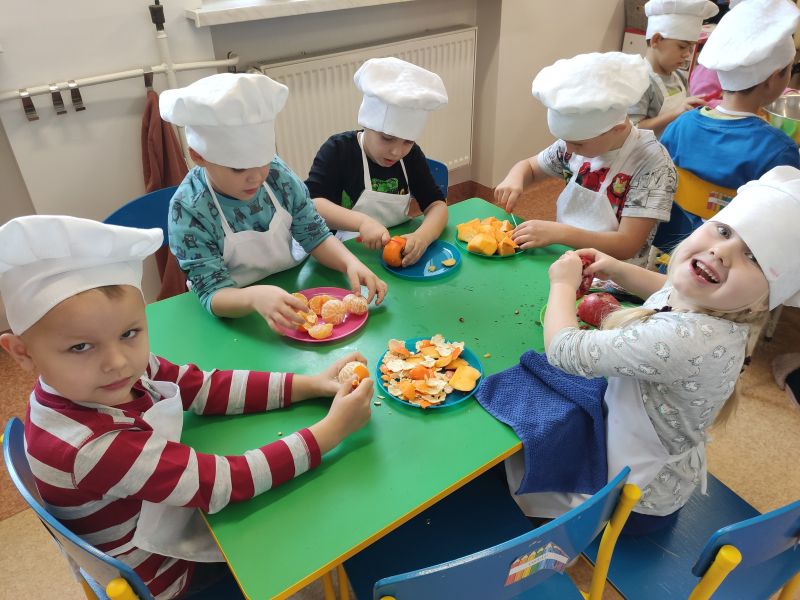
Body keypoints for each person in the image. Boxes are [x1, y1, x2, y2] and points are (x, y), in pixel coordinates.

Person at [0, 215, 374, 599]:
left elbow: (202, 387)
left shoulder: (101, 377)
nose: (117, 361)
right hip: (168, 573)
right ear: (21, 353)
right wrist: (332, 431)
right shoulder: (91, 446)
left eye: (130, 333)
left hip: (154, 513)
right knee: (312, 534)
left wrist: (310, 385)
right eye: (80, 347)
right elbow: (225, 482)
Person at [505, 166, 800, 533]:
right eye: (724, 231)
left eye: (753, 257)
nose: (721, 251)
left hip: (630, 500)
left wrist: (562, 285)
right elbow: (668, 289)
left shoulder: (684, 341)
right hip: (648, 462)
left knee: (515, 460)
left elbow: (565, 351)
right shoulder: (718, 310)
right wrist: (616, 269)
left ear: (764, 302)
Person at [160, 73, 387, 333]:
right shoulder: (189, 210)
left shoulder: (278, 177)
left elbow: (314, 235)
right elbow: (212, 293)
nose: (256, 177)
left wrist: (349, 263)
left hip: (293, 284)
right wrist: (254, 298)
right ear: (198, 156)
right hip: (234, 312)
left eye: (264, 161)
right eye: (238, 168)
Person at [494, 52, 677, 268]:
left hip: (615, 273)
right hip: (566, 256)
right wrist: (515, 178)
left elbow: (627, 244)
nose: (569, 150)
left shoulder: (653, 166)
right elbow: (530, 167)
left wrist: (560, 233)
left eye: (578, 144)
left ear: (616, 129)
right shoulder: (575, 144)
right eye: (565, 141)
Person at [658, 0, 800, 250]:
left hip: (668, 249)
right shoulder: (779, 151)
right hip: (726, 261)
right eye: (790, 68)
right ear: (772, 78)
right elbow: (782, 223)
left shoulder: (682, 124)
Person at [305, 57, 449, 266]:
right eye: (387, 138)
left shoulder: (411, 156)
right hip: (343, 257)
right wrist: (362, 222)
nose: (396, 151)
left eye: (408, 141)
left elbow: (437, 205)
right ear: (367, 123)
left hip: (397, 255)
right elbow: (314, 205)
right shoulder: (338, 151)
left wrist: (423, 237)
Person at [628, 0, 718, 137]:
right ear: (656, 40)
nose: (687, 54)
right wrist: (676, 112)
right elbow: (632, 131)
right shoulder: (639, 79)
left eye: (691, 48)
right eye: (682, 46)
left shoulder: (679, 77)